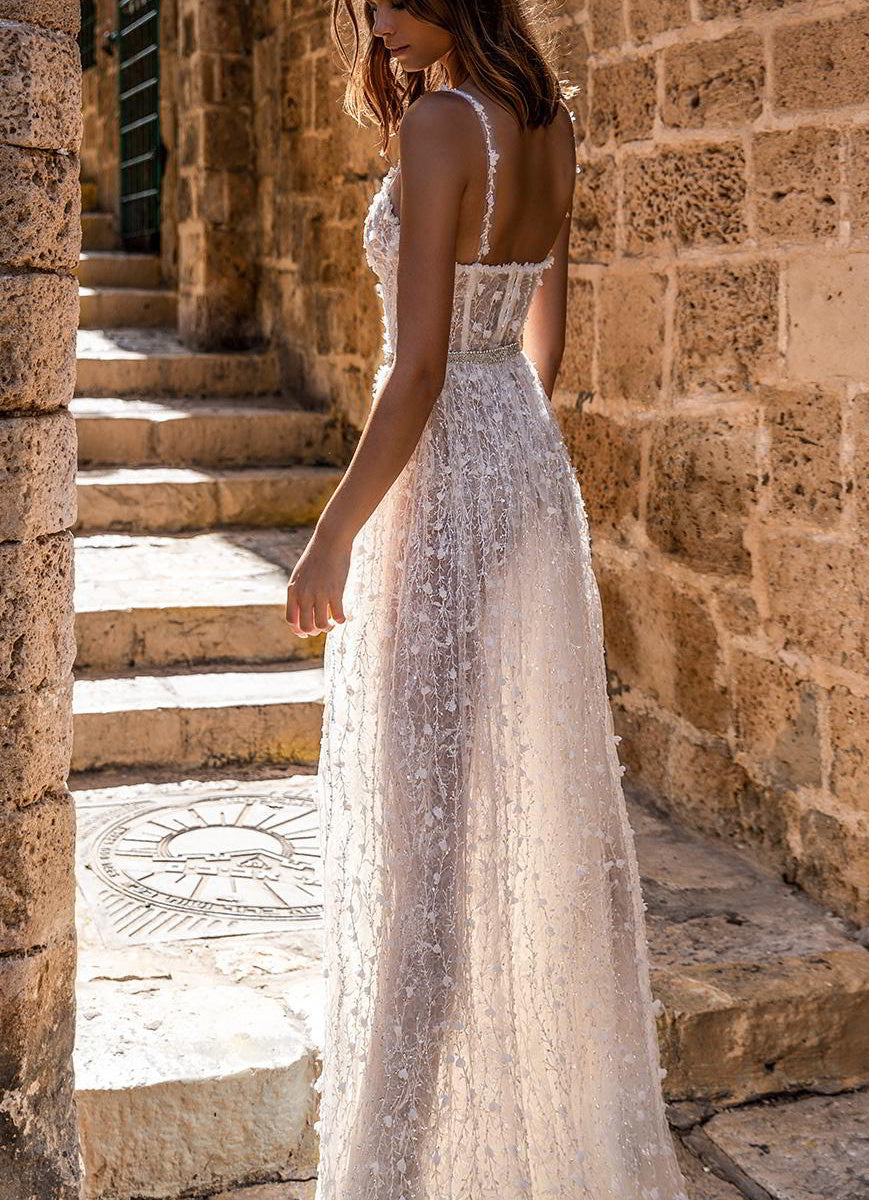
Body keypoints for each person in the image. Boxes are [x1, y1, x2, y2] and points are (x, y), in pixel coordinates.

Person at [285, 2, 690, 1197]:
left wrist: (330, 539)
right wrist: (508, 456)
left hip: (444, 468)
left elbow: (414, 372)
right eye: (369, 8)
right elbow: (540, 345)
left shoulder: (444, 128)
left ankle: (396, 1174)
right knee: (507, 810)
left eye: (400, 4)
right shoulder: (548, 122)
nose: (382, 27)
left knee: (425, 850)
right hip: (521, 461)